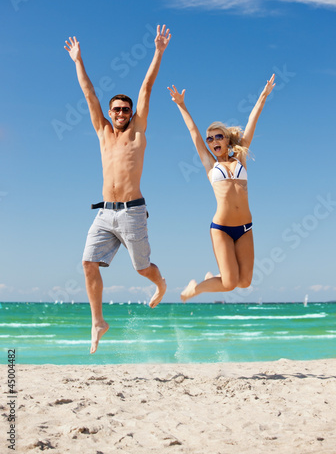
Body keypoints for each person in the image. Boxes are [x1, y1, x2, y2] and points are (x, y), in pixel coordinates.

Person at [64, 25, 170, 353]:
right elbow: (89, 94)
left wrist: (158, 51)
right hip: (104, 213)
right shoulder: (103, 132)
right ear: (110, 114)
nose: (121, 113)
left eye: (126, 109)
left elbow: (147, 87)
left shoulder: (137, 131)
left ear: (131, 114)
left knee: (142, 268)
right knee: (87, 262)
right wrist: (78, 60)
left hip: (133, 211)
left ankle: (161, 283)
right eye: (117, 110)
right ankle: (98, 321)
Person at [168, 74, 275, 302]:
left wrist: (263, 96)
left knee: (244, 282)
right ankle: (197, 288)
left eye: (218, 136)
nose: (214, 141)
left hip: (245, 227)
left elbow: (252, 123)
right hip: (222, 229)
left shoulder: (240, 159)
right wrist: (181, 106)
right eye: (210, 139)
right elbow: (193, 134)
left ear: (227, 140)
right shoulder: (210, 165)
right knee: (229, 284)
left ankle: (211, 276)